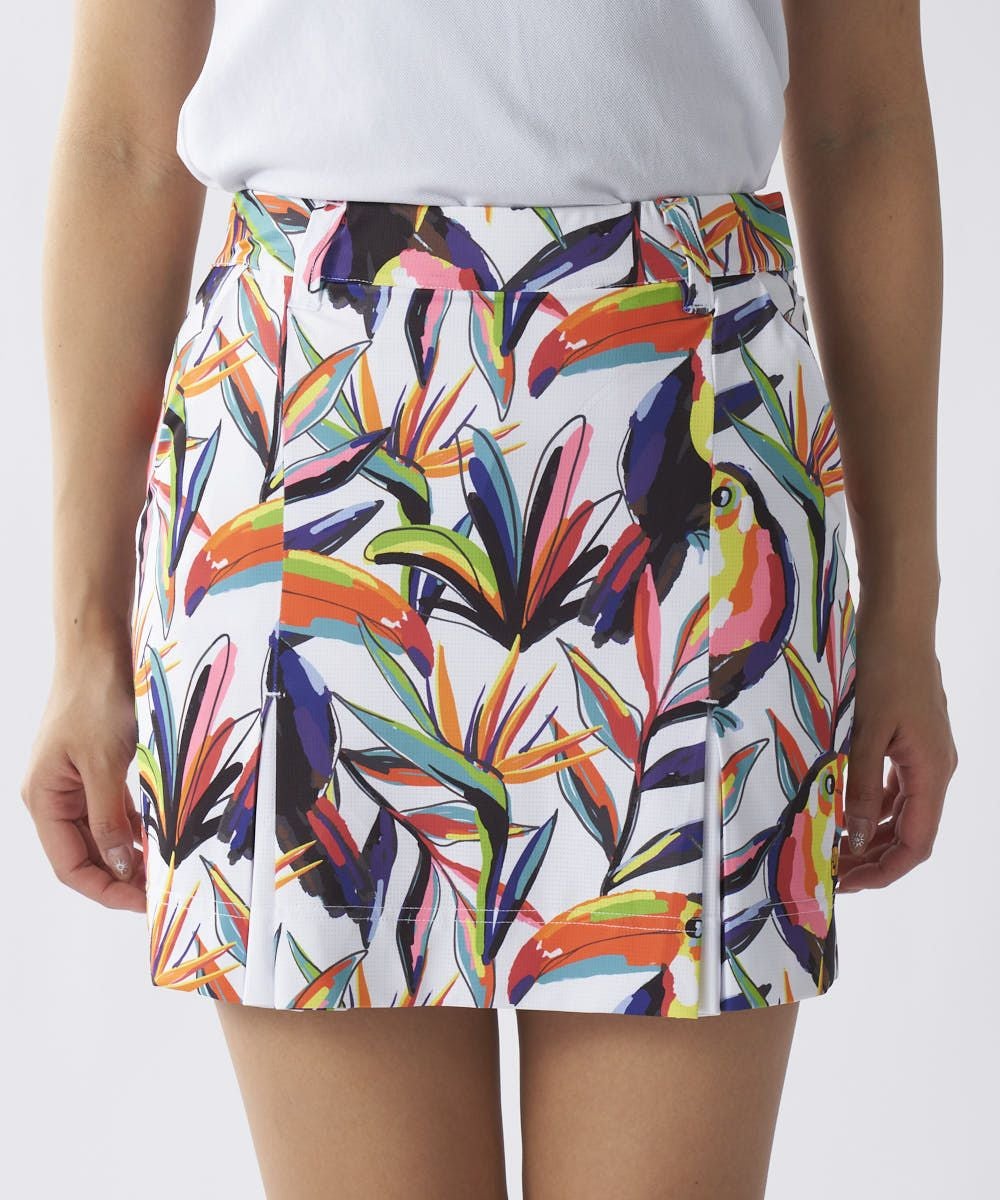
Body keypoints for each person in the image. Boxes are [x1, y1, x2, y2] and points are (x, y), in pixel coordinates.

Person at [21, 2, 958, 1197]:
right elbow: (121, 140)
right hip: (307, 454)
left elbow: (861, 125)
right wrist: (84, 638)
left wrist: (904, 617)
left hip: (695, 477)